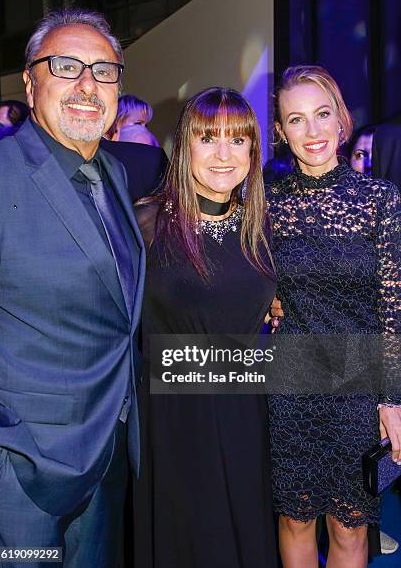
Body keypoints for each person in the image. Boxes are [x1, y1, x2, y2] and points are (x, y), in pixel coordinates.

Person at [0, 8, 145, 567]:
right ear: (30, 83)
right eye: (67, 66)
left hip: (107, 459)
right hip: (21, 472)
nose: (87, 85)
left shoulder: (116, 173)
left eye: (103, 71)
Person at [134, 87, 278, 568]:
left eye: (237, 141)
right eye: (207, 138)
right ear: (183, 146)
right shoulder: (147, 223)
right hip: (174, 424)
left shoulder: (260, 227)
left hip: (246, 419)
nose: (223, 155)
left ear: (253, 152)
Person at [265, 65, 401, 568]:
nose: (313, 131)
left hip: (357, 384)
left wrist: (393, 401)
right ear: (280, 131)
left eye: (322, 115)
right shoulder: (268, 204)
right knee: (295, 520)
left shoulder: (380, 202)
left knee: (349, 527)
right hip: (292, 382)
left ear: (342, 120)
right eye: (296, 120)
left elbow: (394, 307)